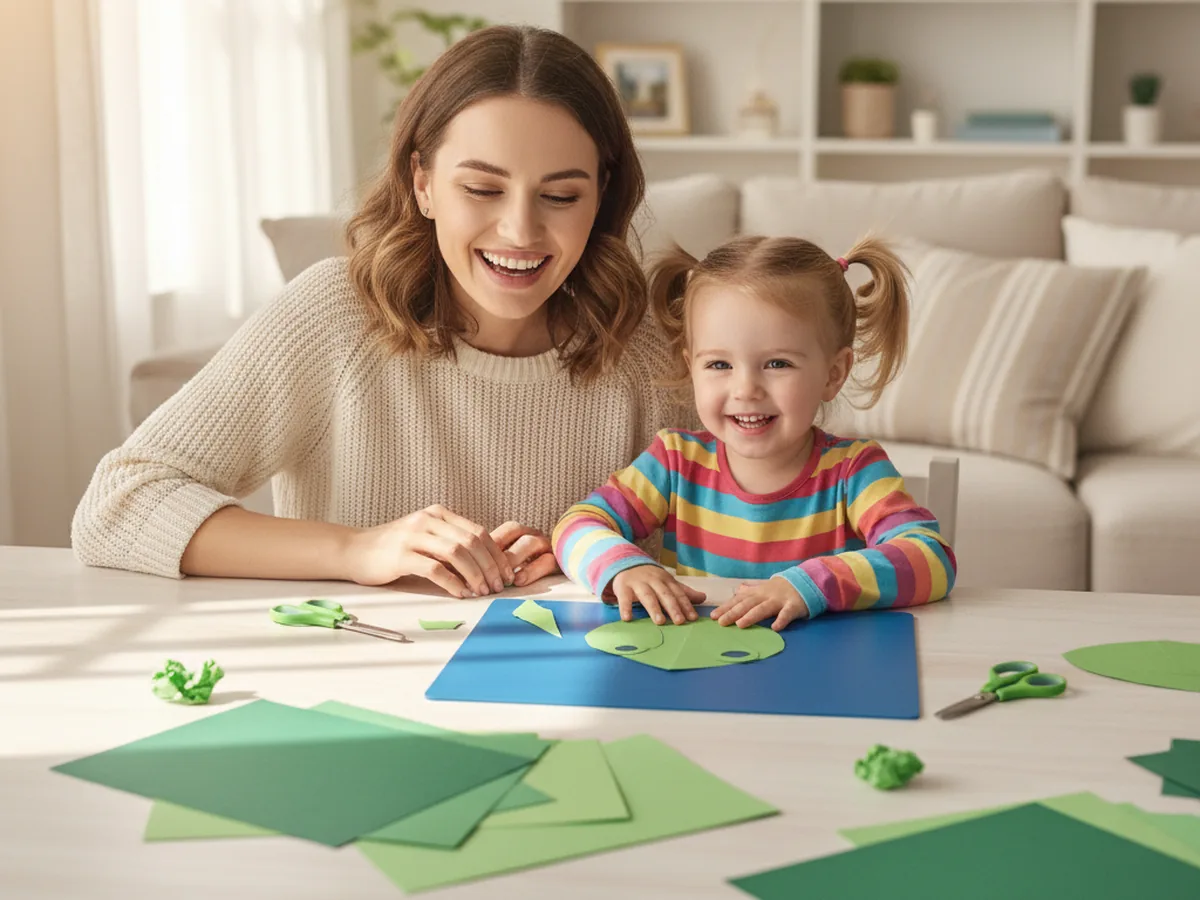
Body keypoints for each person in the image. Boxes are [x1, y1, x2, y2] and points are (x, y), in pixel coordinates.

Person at [72, 25, 689, 597]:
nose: (520, 229)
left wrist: (593, 557)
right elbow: (117, 505)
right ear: (422, 183)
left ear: (601, 196)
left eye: (560, 195)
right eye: (481, 189)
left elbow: (751, 544)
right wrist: (358, 549)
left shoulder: (649, 351)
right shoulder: (333, 317)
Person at [551, 235, 958, 630]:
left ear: (834, 373)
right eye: (719, 365)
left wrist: (808, 585)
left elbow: (931, 560)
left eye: (777, 364)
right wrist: (625, 565)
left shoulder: (854, 471)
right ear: (692, 366)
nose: (746, 389)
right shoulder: (675, 461)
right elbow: (575, 526)